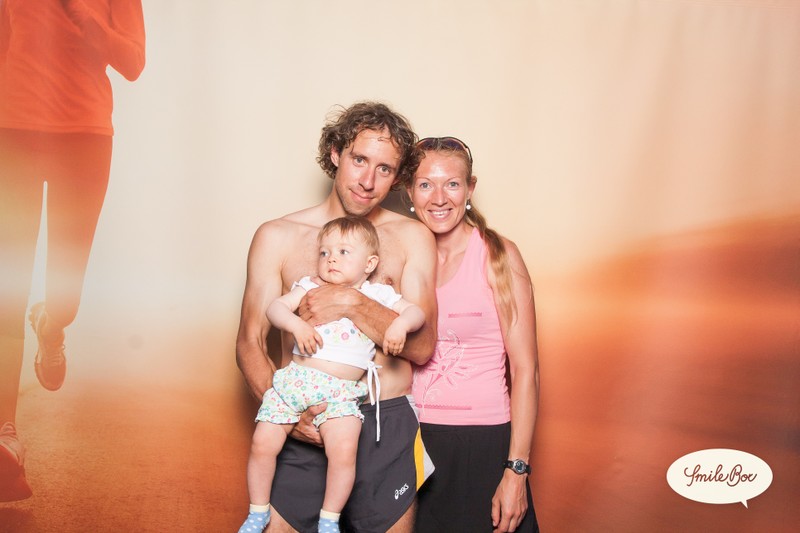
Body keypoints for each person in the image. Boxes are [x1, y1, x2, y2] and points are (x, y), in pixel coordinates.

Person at [235, 102, 437, 533]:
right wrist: (290, 417)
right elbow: (250, 341)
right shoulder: (278, 236)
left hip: (382, 423)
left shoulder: (411, 237)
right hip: (302, 413)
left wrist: (350, 303)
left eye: (385, 169)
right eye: (359, 160)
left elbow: (421, 347)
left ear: (397, 177)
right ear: (334, 153)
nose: (368, 181)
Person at [0, 0, 145, 502]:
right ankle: (6, 434)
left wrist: (87, 18)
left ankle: (51, 325)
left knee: (65, 297)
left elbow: (133, 62)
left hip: (83, 137)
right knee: (7, 290)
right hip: (12, 132)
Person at [239, 216, 425, 533]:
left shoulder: (378, 294)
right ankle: (257, 512)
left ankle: (329, 518)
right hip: (295, 384)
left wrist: (400, 325)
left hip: (341, 393)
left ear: (370, 264)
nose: (331, 259)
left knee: (343, 454)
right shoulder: (310, 286)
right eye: (324, 253)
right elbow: (275, 309)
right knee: (262, 444)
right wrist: (296, 324)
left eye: (343, 252)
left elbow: (416, 313)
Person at [407, 137, 540, 533]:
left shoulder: (498, 255)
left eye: (452, 183)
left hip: (481, 444)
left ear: (469, 189)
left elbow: (526, 370)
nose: (439, 198)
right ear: (409, 192)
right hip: (409, 441)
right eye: (425, 184)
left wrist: (516, 470)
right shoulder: (397, 257)